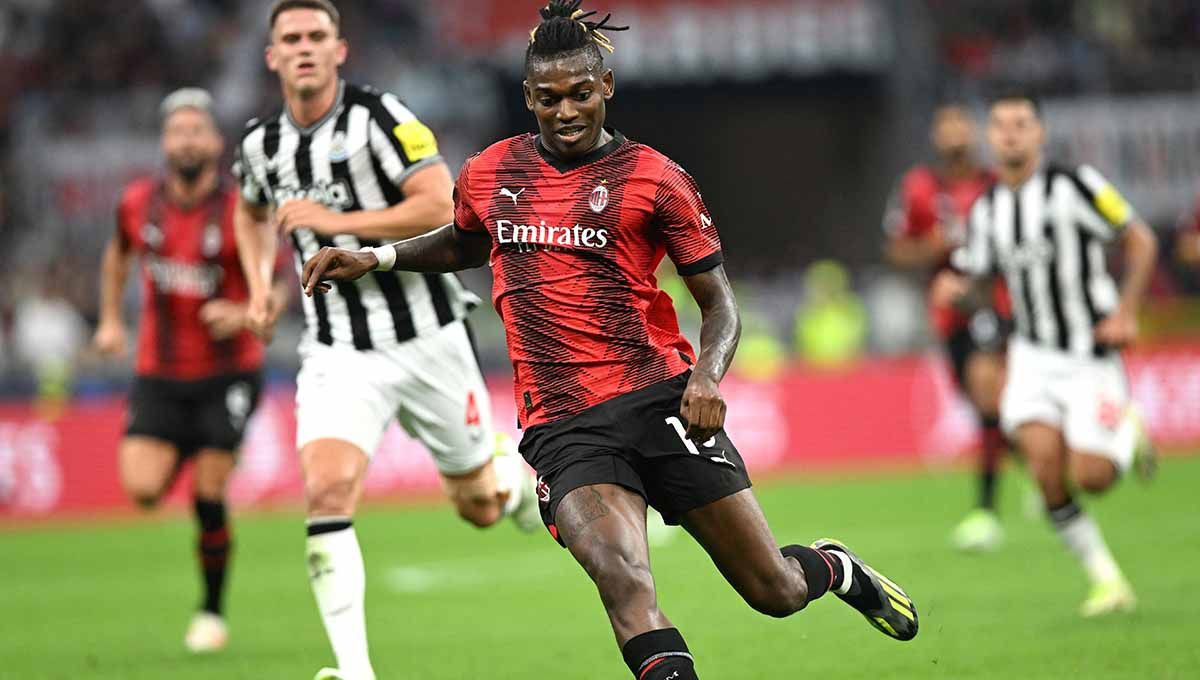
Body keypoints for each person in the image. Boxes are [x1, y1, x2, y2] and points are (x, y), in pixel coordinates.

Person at [300, 3, 919, 678]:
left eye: (580, 94)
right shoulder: (490, 172)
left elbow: (720, 303)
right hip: (564, 426)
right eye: (548, 99)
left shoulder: (656, 180)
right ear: (528, 98)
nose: (565, 111)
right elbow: (464, 241)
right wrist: (379, 258)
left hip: (661, 402)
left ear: (608, 89)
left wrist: (707, 378)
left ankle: (835, 568)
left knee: (774, 591)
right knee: (624, 582)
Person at [231, 2, 539, 678]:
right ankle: (355, 671)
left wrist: (339, 220)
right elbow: (251, 212)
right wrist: (258, 284)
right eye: (292, 38)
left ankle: (510, 483)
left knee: (479, 509)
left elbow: (442, 205)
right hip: (338, 349)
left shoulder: (382, 117)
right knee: (328, 490)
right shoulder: (260, 144)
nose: (305, 48)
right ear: (272, 56)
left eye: (318, 36)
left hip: (427, 337)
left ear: (340, 50)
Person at [938, 91, 1157, 617]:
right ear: (990, 138)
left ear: (1039, 133)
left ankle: (1127, 425)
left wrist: (1125, 312)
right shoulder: (987, 209)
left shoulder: (1076, 185)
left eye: (1022, 124)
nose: (1011, 133)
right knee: (1044, 469)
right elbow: (983, 280)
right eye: (1002, 125)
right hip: (1033, 356)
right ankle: (1106, 580)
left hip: (1089, 355)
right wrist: (958, 292)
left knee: (1094, 478)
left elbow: (1141, 240)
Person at [93, 88, 285, 652]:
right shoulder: (136, 203)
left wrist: (250, 311)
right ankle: (190, 446)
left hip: (228, 373)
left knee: (208, 490)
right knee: (143, 488)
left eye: (197, 130)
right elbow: (117, 253)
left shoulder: (240, 208)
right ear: (164, 141)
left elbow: (275, 283)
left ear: (216, 141)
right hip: (160, 370)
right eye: (177, 131)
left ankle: (210, 611)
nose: (187, 139)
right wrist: (109, 320)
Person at [884, 104, 1012, 552]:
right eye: (946, 126)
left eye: (962, 123)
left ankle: (986, 511)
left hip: (998, 304)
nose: (955, 132)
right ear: (936, 136)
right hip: (948, 315)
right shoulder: (918, 187)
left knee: (986, 392)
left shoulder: (998, 186)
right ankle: (1042, 463)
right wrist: (931, 250)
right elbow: (897, 250)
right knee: (983, 402)